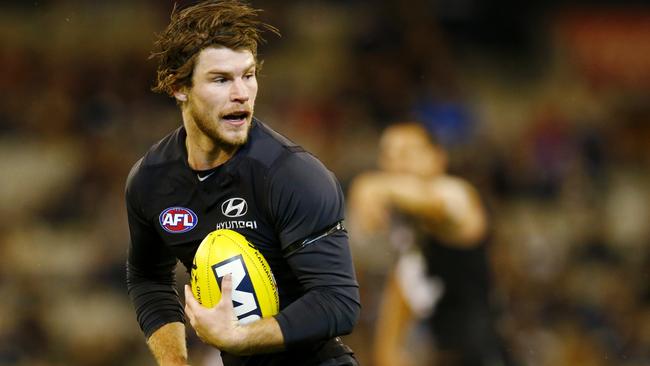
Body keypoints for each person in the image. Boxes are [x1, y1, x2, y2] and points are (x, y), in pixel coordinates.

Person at [124, 1, 360, 365]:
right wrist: (176, 361)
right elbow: (148, 278)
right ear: (178, 87)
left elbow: (338, 303)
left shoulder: (293, 176)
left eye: (248, 75)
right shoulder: (150, 181)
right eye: (221, 79)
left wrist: (238, 338)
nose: (241, 93)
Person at [348, 123, 511, 366]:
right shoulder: (408, 236)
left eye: (408, 152)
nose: (397, 163)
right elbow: (389, 345)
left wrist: (371, 185)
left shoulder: (457, 193)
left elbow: (437, 201)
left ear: (438, 157)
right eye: (388, 154)